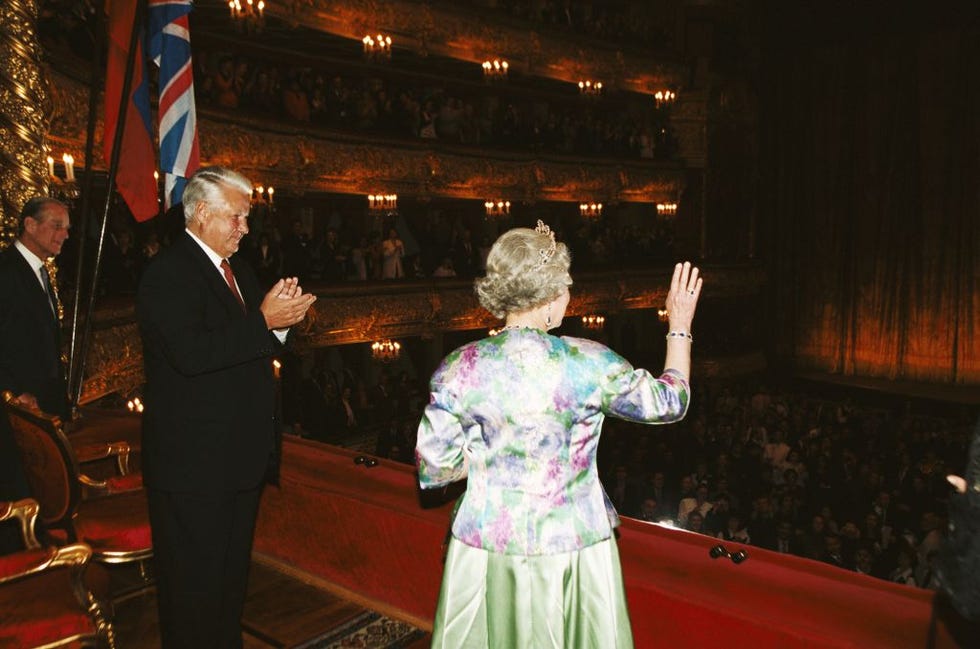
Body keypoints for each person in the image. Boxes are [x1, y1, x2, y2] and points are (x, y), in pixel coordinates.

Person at [415, 220, 702, 648]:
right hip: (573, 549)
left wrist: (493, 459)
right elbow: (671, 402)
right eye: (566, 285)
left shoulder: (459, 367)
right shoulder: (588, 362)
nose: (569, 294)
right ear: (548, 296)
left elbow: (434, 473)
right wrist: (679, 324)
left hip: (485, 547)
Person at [137, 166, 315, 647]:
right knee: (193, 591)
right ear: (200, 213)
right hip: (194, 465)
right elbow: (193, 356)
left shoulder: (237, 270)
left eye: (246, 217)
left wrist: (281, 323)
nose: (245, 227)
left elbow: (253, 345)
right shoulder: (168, 274)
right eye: (237, 217)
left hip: (237, 458)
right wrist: (263, 321)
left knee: (227, 586)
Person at [0, 196, 71, 553]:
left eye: (68, 228)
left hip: (42, 401)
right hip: (16, 408)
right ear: (30, 225)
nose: (65, 234)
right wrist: (10, 392)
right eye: (57, 226)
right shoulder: (7, 271)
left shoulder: (39, 270)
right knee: (18, 489)